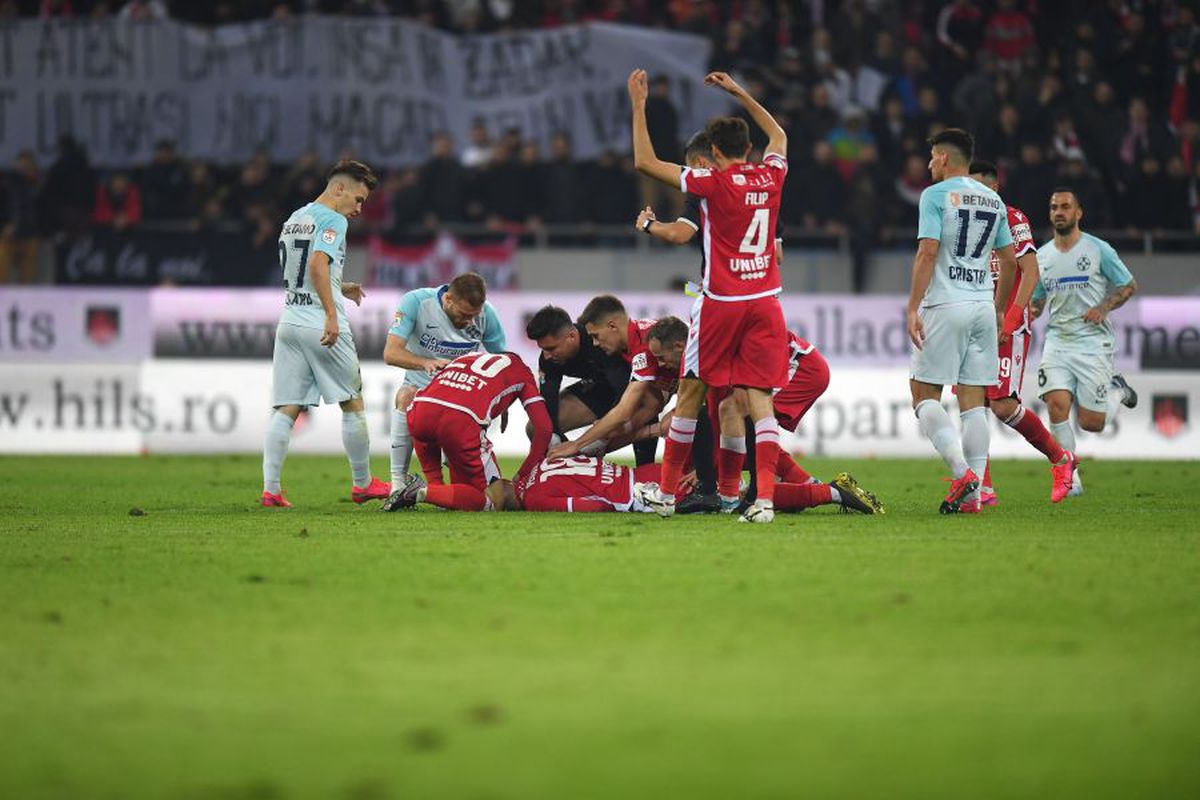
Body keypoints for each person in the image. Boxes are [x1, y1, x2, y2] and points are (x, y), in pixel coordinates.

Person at [627, 68, 790, 523]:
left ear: (714, 153)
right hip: (766, 301)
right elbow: (778, 133)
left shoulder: (711, 183)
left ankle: (664, 492)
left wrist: (639, 107)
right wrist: (740, 90)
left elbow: (645, 163)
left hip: (721, 303)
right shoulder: (771, 176)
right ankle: (764, 501)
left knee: (692, 388)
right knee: (758, 399)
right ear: (749, 149)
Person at [644, 319, 884, 516]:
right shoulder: (702, 351)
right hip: (797, 364)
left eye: (662, 358)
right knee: (744, 427)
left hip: (800, 370)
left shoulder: (703, 353)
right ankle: (813, 488)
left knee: (745, 417)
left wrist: (709, 471)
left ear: (678, 346)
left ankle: (753, 496)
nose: (662, 365)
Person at [261, 160, 389, 508]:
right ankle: (362, 483)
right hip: (319, 321)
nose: (359, 209)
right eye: (359, 199)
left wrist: (339, 286)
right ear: (339, 189)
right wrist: (332, 314)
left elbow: (302, 270)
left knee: (286, 407)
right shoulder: (333, 220)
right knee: (352, 401)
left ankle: (271, 488)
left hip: (289, 320)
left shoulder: (295, 218)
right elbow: (317, 264)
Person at [907, 129, 1019, 514]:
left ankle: (962, 475)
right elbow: (1008, 261)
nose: (928, 165)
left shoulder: (934, 196)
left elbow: (927, 251)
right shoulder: (994, 200)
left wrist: (911, 307)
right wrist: (999, 307)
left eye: (931, 158)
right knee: (973, 404)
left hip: (946, 304)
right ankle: (974, 498)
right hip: (982, 307)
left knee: (923, 396)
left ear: (943, 158)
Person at [968, 161, 1076, 504]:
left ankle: (1060, 458)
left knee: (1001, 405)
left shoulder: (1012, 219)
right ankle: (983, 488)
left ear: (993, 188)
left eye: (977, 188)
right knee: (973, 404)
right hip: (973, 322)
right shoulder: (962, 221)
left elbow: (1029, 271)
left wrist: (1012, 317)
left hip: (1007, 326)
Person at [1030, 189, 1138, 497]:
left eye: (1065, 207)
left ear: (1079, 213)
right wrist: (1028, 312)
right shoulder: (1043, 256)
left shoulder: (1098, 249)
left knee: (1092, 423)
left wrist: (1104, 307)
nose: (1059, 212)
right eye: (1054, 207)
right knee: (1056, 405)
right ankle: (1070, 479)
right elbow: (1037, 301)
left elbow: (1129, 285)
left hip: (1092, 342)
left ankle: (1118, 390)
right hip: (1058, 341)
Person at [380, 272, 506, 510]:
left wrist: (504, 399)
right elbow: (391, 353)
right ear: (448, 300)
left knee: (476, 488)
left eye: (474, 316)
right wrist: (425, 363)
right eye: (464, 314)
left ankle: (446, 492)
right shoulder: (416, 302)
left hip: (463, 395)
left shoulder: (487, 314)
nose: (470, 322)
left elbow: (503, 358)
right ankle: (398, 484)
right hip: (422, 388)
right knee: (406, 395)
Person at [385, 351, 553, 512]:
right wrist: (523, 474)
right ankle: (420, 492)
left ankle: (428, 491)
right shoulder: (521, 369)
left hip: (421, 410)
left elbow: (443, 398)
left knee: (450, 490)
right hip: (460, 423)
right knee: (491, 499)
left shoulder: (466, 357)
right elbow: (544, 428)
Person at [546, 296, 680, 460]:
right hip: (701, 391)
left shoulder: (643, 348)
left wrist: (576, 445)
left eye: (596, 336)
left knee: (685, 429)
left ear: (612, 326)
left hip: (712, 390)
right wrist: (614, 433)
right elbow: (653, 404)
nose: (595, 343)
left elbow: (623, 411)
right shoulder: (634, 342)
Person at [524, 304, 658, 466]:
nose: (547, 355)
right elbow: (548, 403)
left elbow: (625, 391)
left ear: (572, 336)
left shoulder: (600, 341)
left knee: (640, 405)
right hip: (599, 390)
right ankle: (573, 470)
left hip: (633, 392)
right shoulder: (548, 358)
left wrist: (600, 430)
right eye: (543, 349)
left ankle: (646, 473)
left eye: (551, 348)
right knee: (538, 428)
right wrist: (556, 441)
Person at [480, 456, 665, 514]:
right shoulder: (542, 464)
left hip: (643, 496)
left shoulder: (533, 499)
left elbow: (598, 506)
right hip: (646, 471)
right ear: (506, 481)